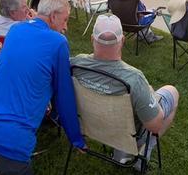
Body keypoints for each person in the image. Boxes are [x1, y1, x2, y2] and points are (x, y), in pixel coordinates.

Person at [0, 0, 86, 174]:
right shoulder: (58, 42)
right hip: (11, 137)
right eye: (65, 20)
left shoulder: (16, 29)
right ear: (53, 16)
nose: (66, 27)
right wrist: (75, 138)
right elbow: (64, 94)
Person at [72, 15, 179, 166]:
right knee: (172, 91)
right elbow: (154, 126)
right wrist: (152, 96)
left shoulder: (75, 64)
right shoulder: (134, 78)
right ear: (122, 40)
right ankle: (142, 153)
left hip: (93, 126)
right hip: (127, 131)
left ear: (92, 39)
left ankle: (122, 151)